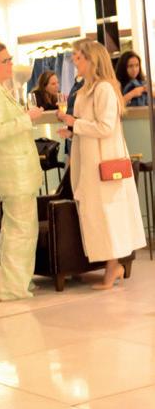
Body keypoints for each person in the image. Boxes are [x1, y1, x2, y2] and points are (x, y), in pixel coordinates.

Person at [58, 39, 146, 288]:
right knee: (96, 214)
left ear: (91, 60)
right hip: (90, 161)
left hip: (103, 163)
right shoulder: (86, 89)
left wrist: (75, 123)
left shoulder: (105, 88)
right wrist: (72, 131)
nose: (74, 61)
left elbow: (106, 127)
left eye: (78, 57)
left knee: (108, 214)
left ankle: (112, 267)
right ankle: (108, 266)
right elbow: (89, 124)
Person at [0, 42, 44, 301]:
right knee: (19, 231)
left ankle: (20, 280)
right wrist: (28, 118)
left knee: (23, 229)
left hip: (20, 171)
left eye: (9, 59)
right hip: (13, 173)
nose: (10, 64)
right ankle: (13, 287)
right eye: (4, 61)